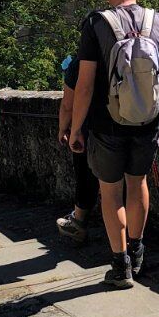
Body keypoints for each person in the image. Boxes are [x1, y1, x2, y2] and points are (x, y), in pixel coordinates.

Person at [70, 0, 159, 288]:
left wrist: (76, 128)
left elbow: (84, 85)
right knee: (137, 185)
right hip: (148, 123)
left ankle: (120, 266)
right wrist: (144, 88)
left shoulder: (96, 24)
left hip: (107, 125)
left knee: (111, 192)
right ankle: (137, 251)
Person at [56, 49, 99, 244]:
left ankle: (79, 222)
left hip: (88, 130)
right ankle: (132, 240)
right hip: (129, 128)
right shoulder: (123, 55)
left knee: (85, 177)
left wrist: (64, 129)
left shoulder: (79, 62)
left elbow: (67, 105)